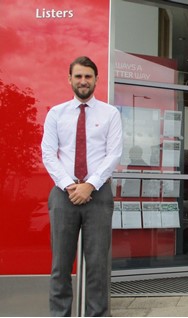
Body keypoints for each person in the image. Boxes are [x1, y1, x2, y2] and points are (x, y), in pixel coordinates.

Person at [41, 56, 123, 316]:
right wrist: (69, 185)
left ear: (96, 79)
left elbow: (114, 154)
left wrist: (89, 185)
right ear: (70, 79)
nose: (83, 81)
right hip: (63, 196)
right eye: (78, 76)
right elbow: (48, 153)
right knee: (60, 267)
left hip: (98, 196)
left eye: (88, 76)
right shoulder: (56, 113)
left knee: (98, 267)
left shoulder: (111, 114)